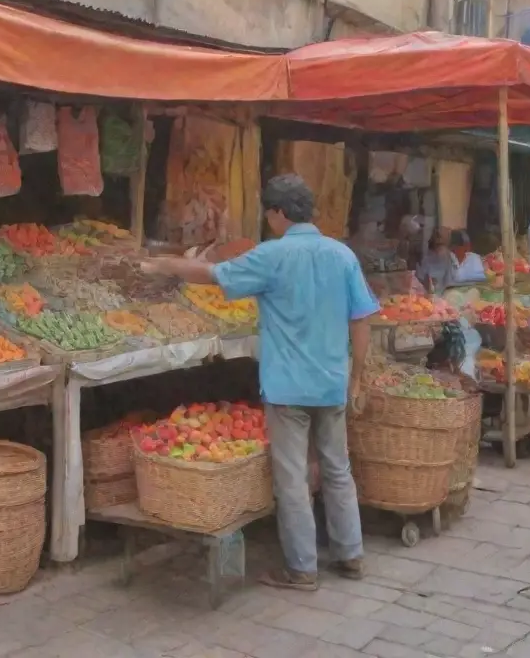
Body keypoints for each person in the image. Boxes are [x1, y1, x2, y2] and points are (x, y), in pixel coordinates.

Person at [140, 174, 378, 590]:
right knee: (338, 469)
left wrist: (163, 264)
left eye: (269, 213)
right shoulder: (342, 255)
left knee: (292, 479)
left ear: (279, 213)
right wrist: (357, 377)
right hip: (331, 382)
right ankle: (350, 554)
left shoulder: (273, 256)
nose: (268, 220)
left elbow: (213, 274)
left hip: (288, 387)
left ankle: (302, 568)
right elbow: (361, 319)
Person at [416, 227, 456, 295]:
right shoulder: (427, 259)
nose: (439, 239)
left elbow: (452, 284)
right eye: (437, 236)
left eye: (441, 237)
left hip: (447, 298)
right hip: (429, 297)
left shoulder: (452, 259)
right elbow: (420, 280)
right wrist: (428, 282)